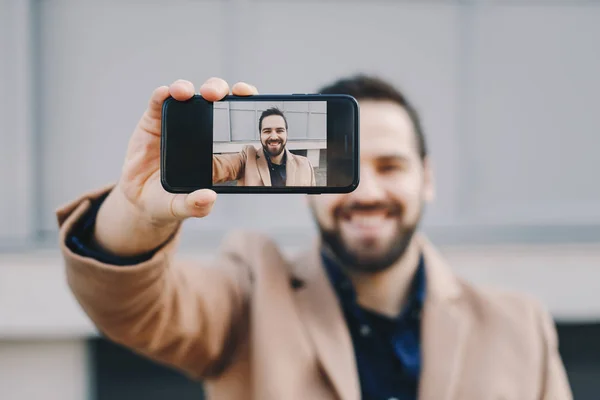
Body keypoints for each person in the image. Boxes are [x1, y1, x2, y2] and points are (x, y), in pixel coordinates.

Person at [57, 76, 573, 400]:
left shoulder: (518, 326)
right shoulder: (251, 291)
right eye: (346, 169)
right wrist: (136, 213)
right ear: (309, 189)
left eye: (391, 166)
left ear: (428, 178)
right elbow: (133, 307)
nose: (367, 192)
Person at [212, 106, 316, 186]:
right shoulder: (247, 158)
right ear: (260, 135)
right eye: (267, 131)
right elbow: (216, 166)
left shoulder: (305, 164)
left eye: (280, 130)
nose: (274, 136)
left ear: (286, 133)